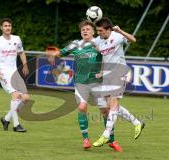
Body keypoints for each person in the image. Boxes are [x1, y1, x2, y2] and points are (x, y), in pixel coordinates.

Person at [46, 20, 122, 152]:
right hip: (81, 83)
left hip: (98, 83)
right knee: (82, 107)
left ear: (93, 31)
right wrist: (52, 54)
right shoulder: (75, 44)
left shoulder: (99, 43)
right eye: (83, 30)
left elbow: (108, 57)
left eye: (88, 29)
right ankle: (85, 138)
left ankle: (112, 140)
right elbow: (61, 52)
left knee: (105, 111)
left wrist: (103, 71)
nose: (85, 31)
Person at [92, 17, 145, 147]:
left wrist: (121, 31)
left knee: (114, 103)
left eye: (100, 31)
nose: (98, 33)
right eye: (97, 30)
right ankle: (137, 122)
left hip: (120, 72)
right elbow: (104, 57)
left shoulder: (117, 36)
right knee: (108, 105)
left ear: (108, 30)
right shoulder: (98, 40)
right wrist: (102, 72)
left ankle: (106, 135)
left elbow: (133, 40)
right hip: (108, 74)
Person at [0, 18, 30, 132]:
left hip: (15, 73)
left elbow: (21, 52)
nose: (7, 28)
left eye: (9, 26)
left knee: (25, 98)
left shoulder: (17, 39)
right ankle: (16, 125)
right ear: (1, 28)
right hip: (4, 73)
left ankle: (6, 119)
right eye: (5, 26)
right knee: (15, 95)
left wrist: (25, 65)